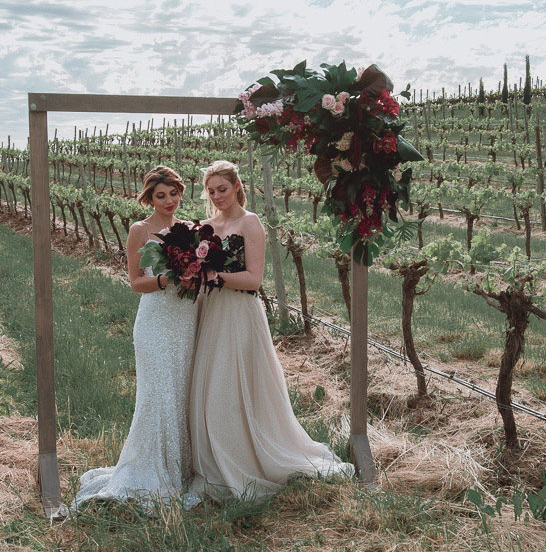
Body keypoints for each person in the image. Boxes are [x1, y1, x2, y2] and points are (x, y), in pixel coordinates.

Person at [187, 160, 353, 502]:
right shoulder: (203, 226)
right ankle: (213, 464)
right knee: (209, 387)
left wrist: (214, 276)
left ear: (236, 187)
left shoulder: (250, 223)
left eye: (223, 189)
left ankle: (247, 460)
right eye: (211, 191)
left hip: (238, 312)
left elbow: (254, 279)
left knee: (234, 384)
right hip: (209, 311)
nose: (217, 196)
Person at [73, 166, 200, 511]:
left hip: (186, 319)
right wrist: (171, 278)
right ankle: (149, 471)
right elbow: (135, 282)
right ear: (149, 197)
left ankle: (181, 469)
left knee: (181, 393)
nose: (169, 201)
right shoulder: (140, 230)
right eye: (161, 195)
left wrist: (194, 276)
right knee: (157, 395)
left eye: (174, 193)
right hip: (156, 320)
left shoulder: (189, 229)